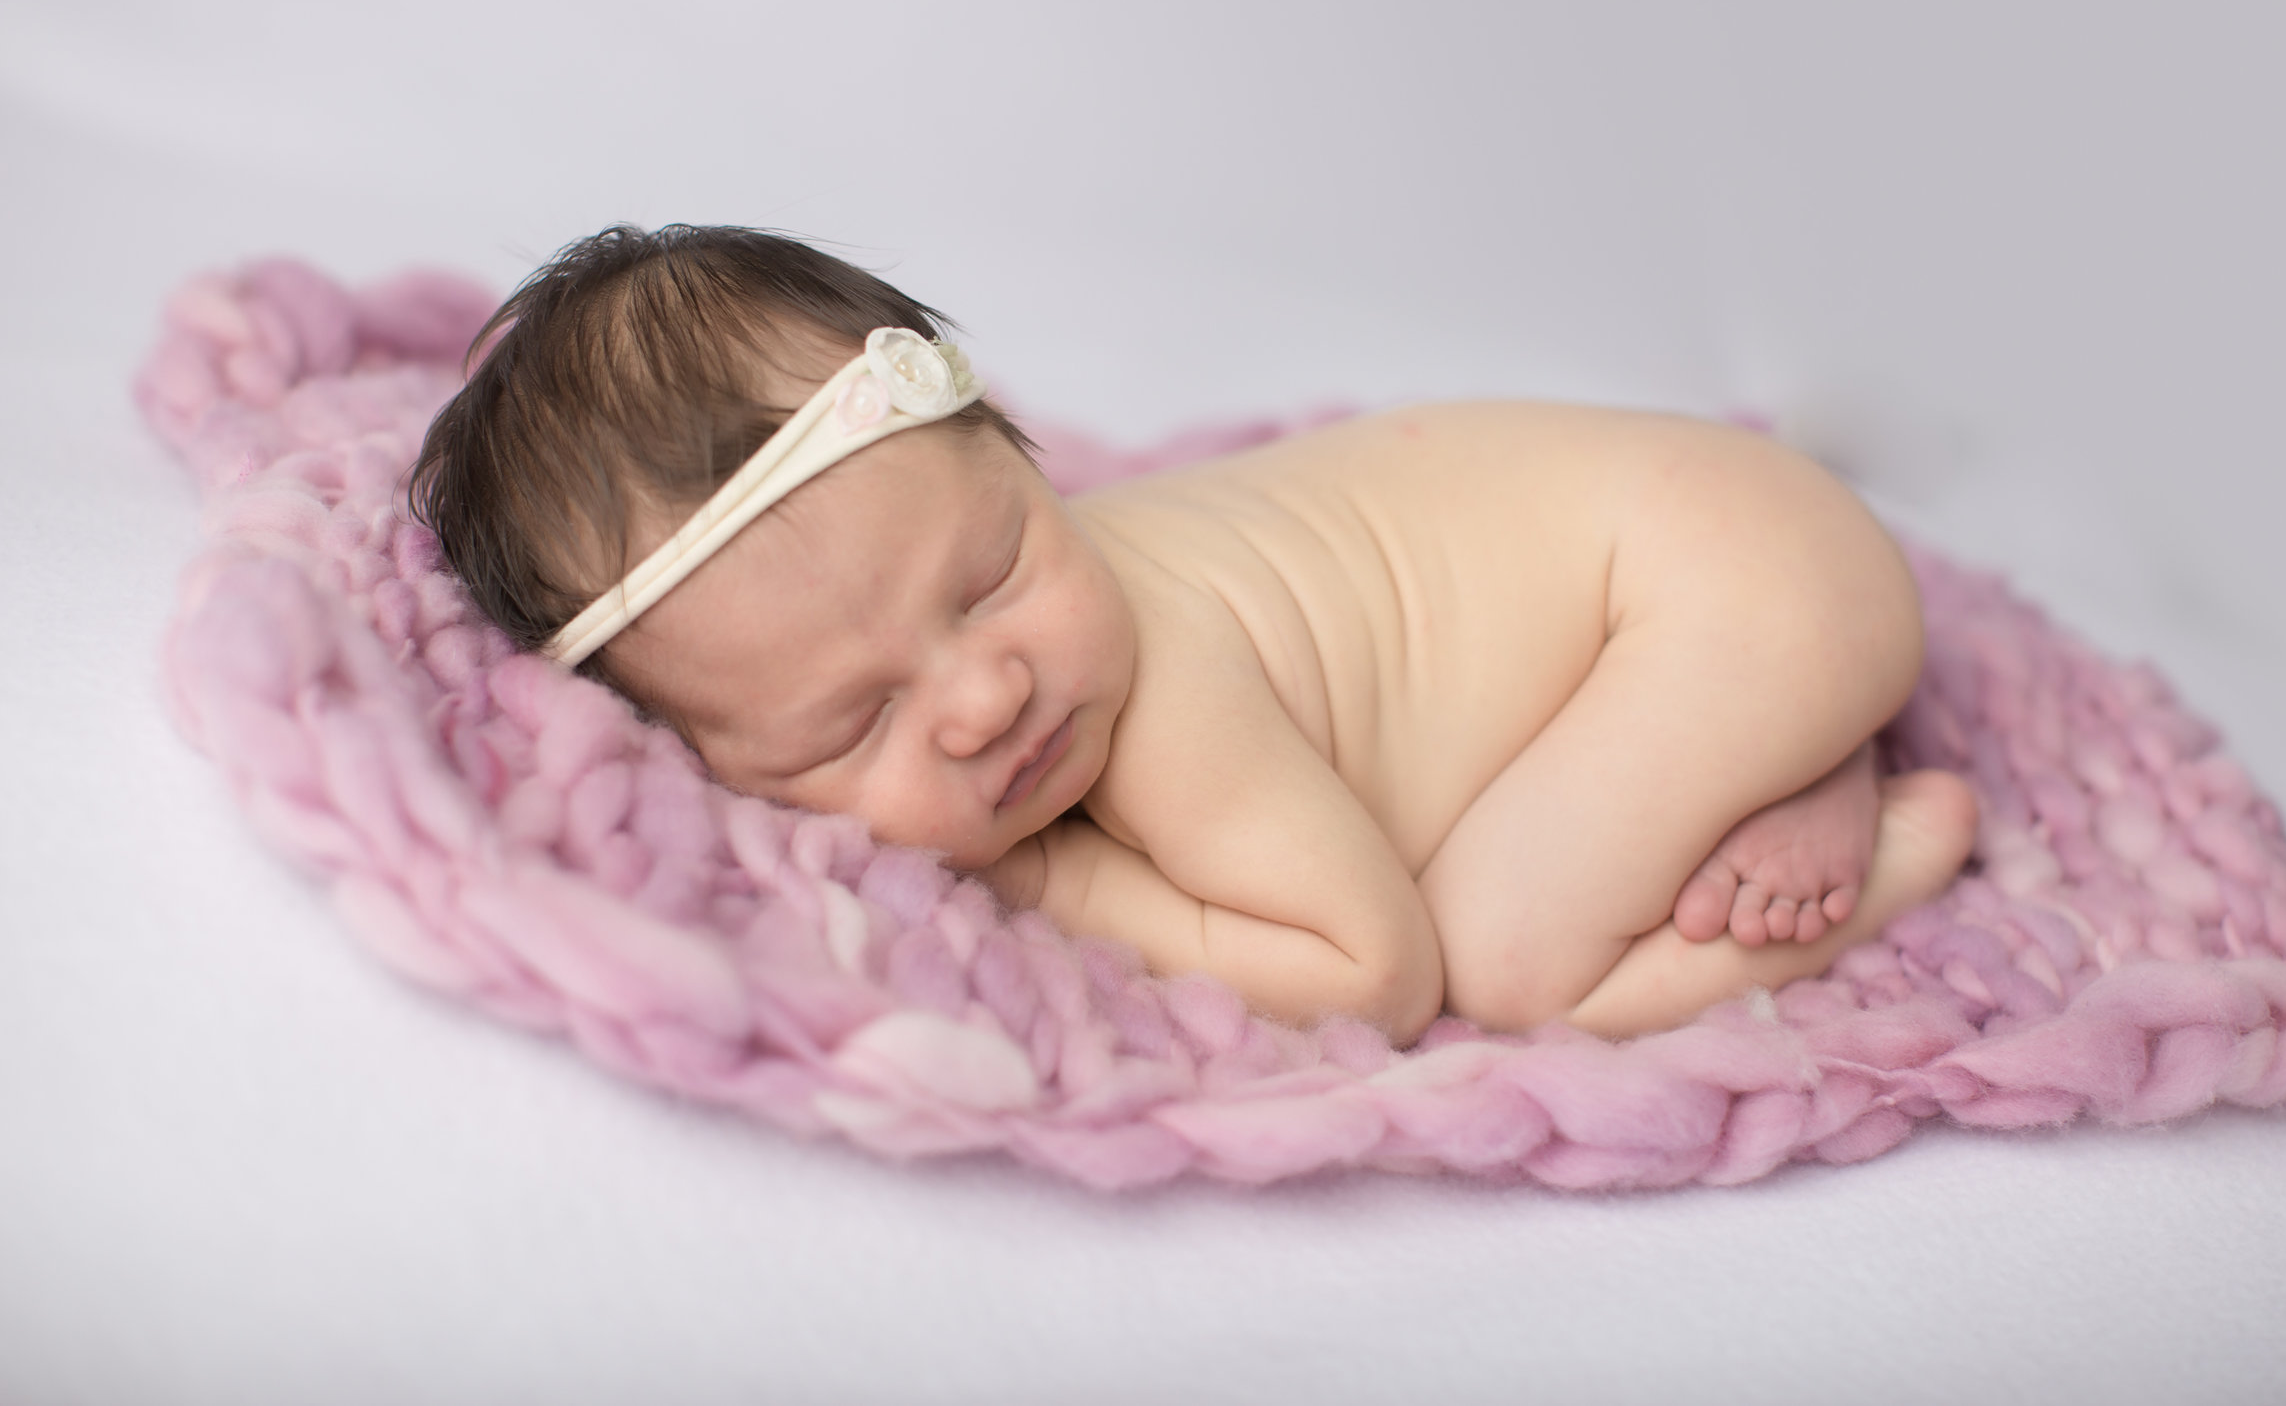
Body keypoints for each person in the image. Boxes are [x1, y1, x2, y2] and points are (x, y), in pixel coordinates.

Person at [411, 225, 1976, 1047]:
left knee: (1505, 959)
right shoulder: (1018, 644)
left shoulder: (1156, 689)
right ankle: (1749, 756)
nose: (983, 695)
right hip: (1693, 563)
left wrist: (1053, 875)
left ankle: (1875, 821)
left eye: (996, 573)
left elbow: (1373, 972)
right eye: (851, 725)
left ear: (1014, 451)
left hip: (1736, 578)